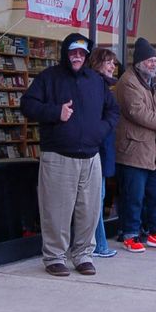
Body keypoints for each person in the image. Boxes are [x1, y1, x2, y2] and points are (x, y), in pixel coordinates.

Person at [20, 33, 119, 277]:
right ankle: (55, 257)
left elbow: (113, 110)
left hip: (90, 157)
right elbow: (27, 105)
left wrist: (100, 130)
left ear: (86, 56)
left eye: (81, 53)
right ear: (66, 53)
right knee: (56, 210)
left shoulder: (96, 81)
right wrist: (56, 112)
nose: (77, 57)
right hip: (58, 156)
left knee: (89, 210)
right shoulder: (49, 78)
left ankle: (83, 255)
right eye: (73, 52)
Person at [112, 38, 156, 252]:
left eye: (154, 59)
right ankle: (130, 234)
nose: (153, 63)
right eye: (149, 60)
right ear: (139, 62)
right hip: (134, 150)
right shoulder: (127, 81)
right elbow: (136, 111)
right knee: (134, 196)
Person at [87, 48, 119, 258]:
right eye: (108, 62)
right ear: (97, 63)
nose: (112, 66)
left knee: (98, 198)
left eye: (114, 63)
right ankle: (99, 244)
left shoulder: (105, 87)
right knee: (96, 200)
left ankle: (98, 243)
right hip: (96, 150)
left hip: (102, 149)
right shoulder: (97, 86)